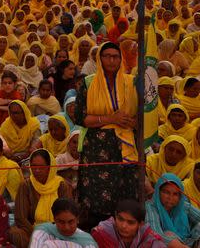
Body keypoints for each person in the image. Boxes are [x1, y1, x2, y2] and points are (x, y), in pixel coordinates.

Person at [75, 42, 139, 229]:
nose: (111, 60)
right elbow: (82, 117)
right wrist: (111, 118)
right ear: (99, 59)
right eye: (107, 56)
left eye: (116, 56)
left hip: (124, 144)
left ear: (121, 59)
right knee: (95, 198)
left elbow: (141, 115)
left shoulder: (131, 82)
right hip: (97, 147)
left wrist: (134, 122)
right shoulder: (88, 83)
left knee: (124, 194)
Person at [10, 149, 74, 247]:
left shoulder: (61, 185)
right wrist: (39, 234)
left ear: (50, 167)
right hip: (31, 230)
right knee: (16, 233)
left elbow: (67, 214)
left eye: (41, 167)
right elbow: (21, 217)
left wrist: (53, 233)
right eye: (34, 167)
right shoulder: (26, 185)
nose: (37, 171)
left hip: (58, 230)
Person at [145, 174, 200, 247]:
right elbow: (155, 234)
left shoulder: (183, 205)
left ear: (180, 196)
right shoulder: (151, 207)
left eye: (175, 194)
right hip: (165, 245)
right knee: (168, 234)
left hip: (188, 243)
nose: (170, 198)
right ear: (158, 192)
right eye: (166, 192)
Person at [92, 199, 167, 248]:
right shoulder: (102, 233)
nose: (124, 226)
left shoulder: (149, 238)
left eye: (130, 222)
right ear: (115, 216)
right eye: (120, 219)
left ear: (141, 224)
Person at [30, 198, 97, 247]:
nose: (66, 227)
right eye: (61, 222)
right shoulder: (42, 232)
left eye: (71, 222)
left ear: (77, 220)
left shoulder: (87, 241)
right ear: (54, 220)